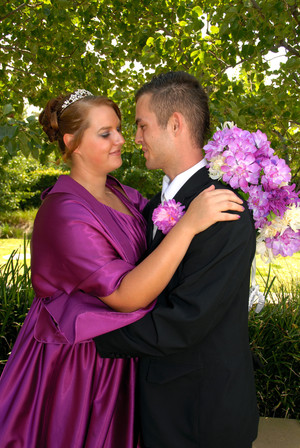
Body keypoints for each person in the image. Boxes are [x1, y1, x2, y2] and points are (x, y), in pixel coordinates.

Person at [0, 89, 244, 448]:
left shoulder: (126, 196)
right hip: (79, 364)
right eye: (105, 133)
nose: (121, 139)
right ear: (73, 143)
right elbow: (126, 296)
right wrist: (190, 224)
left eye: (119, 128)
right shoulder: (63, 212)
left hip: (127, 360)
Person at [95, 72, 260, 448]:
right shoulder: (156, 207)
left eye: (141, 125)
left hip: (204, 415)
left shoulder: (225, 206)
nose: (134, 138)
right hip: (158, 406)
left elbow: (188, 319)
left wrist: (93, 338)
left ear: (175, 124)